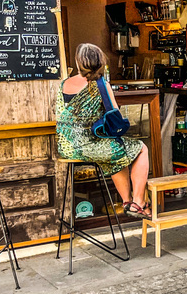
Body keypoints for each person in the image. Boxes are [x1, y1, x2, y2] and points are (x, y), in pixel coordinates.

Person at [56, 43, 150, 217]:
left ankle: (127, 202)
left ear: (79, 63)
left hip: (66, 147)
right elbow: (114, 114)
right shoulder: (100, 85)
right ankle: (138, 201)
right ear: (100, 62)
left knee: (114, 152)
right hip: (88, 146)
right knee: (140, 148)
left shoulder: (63, 84)